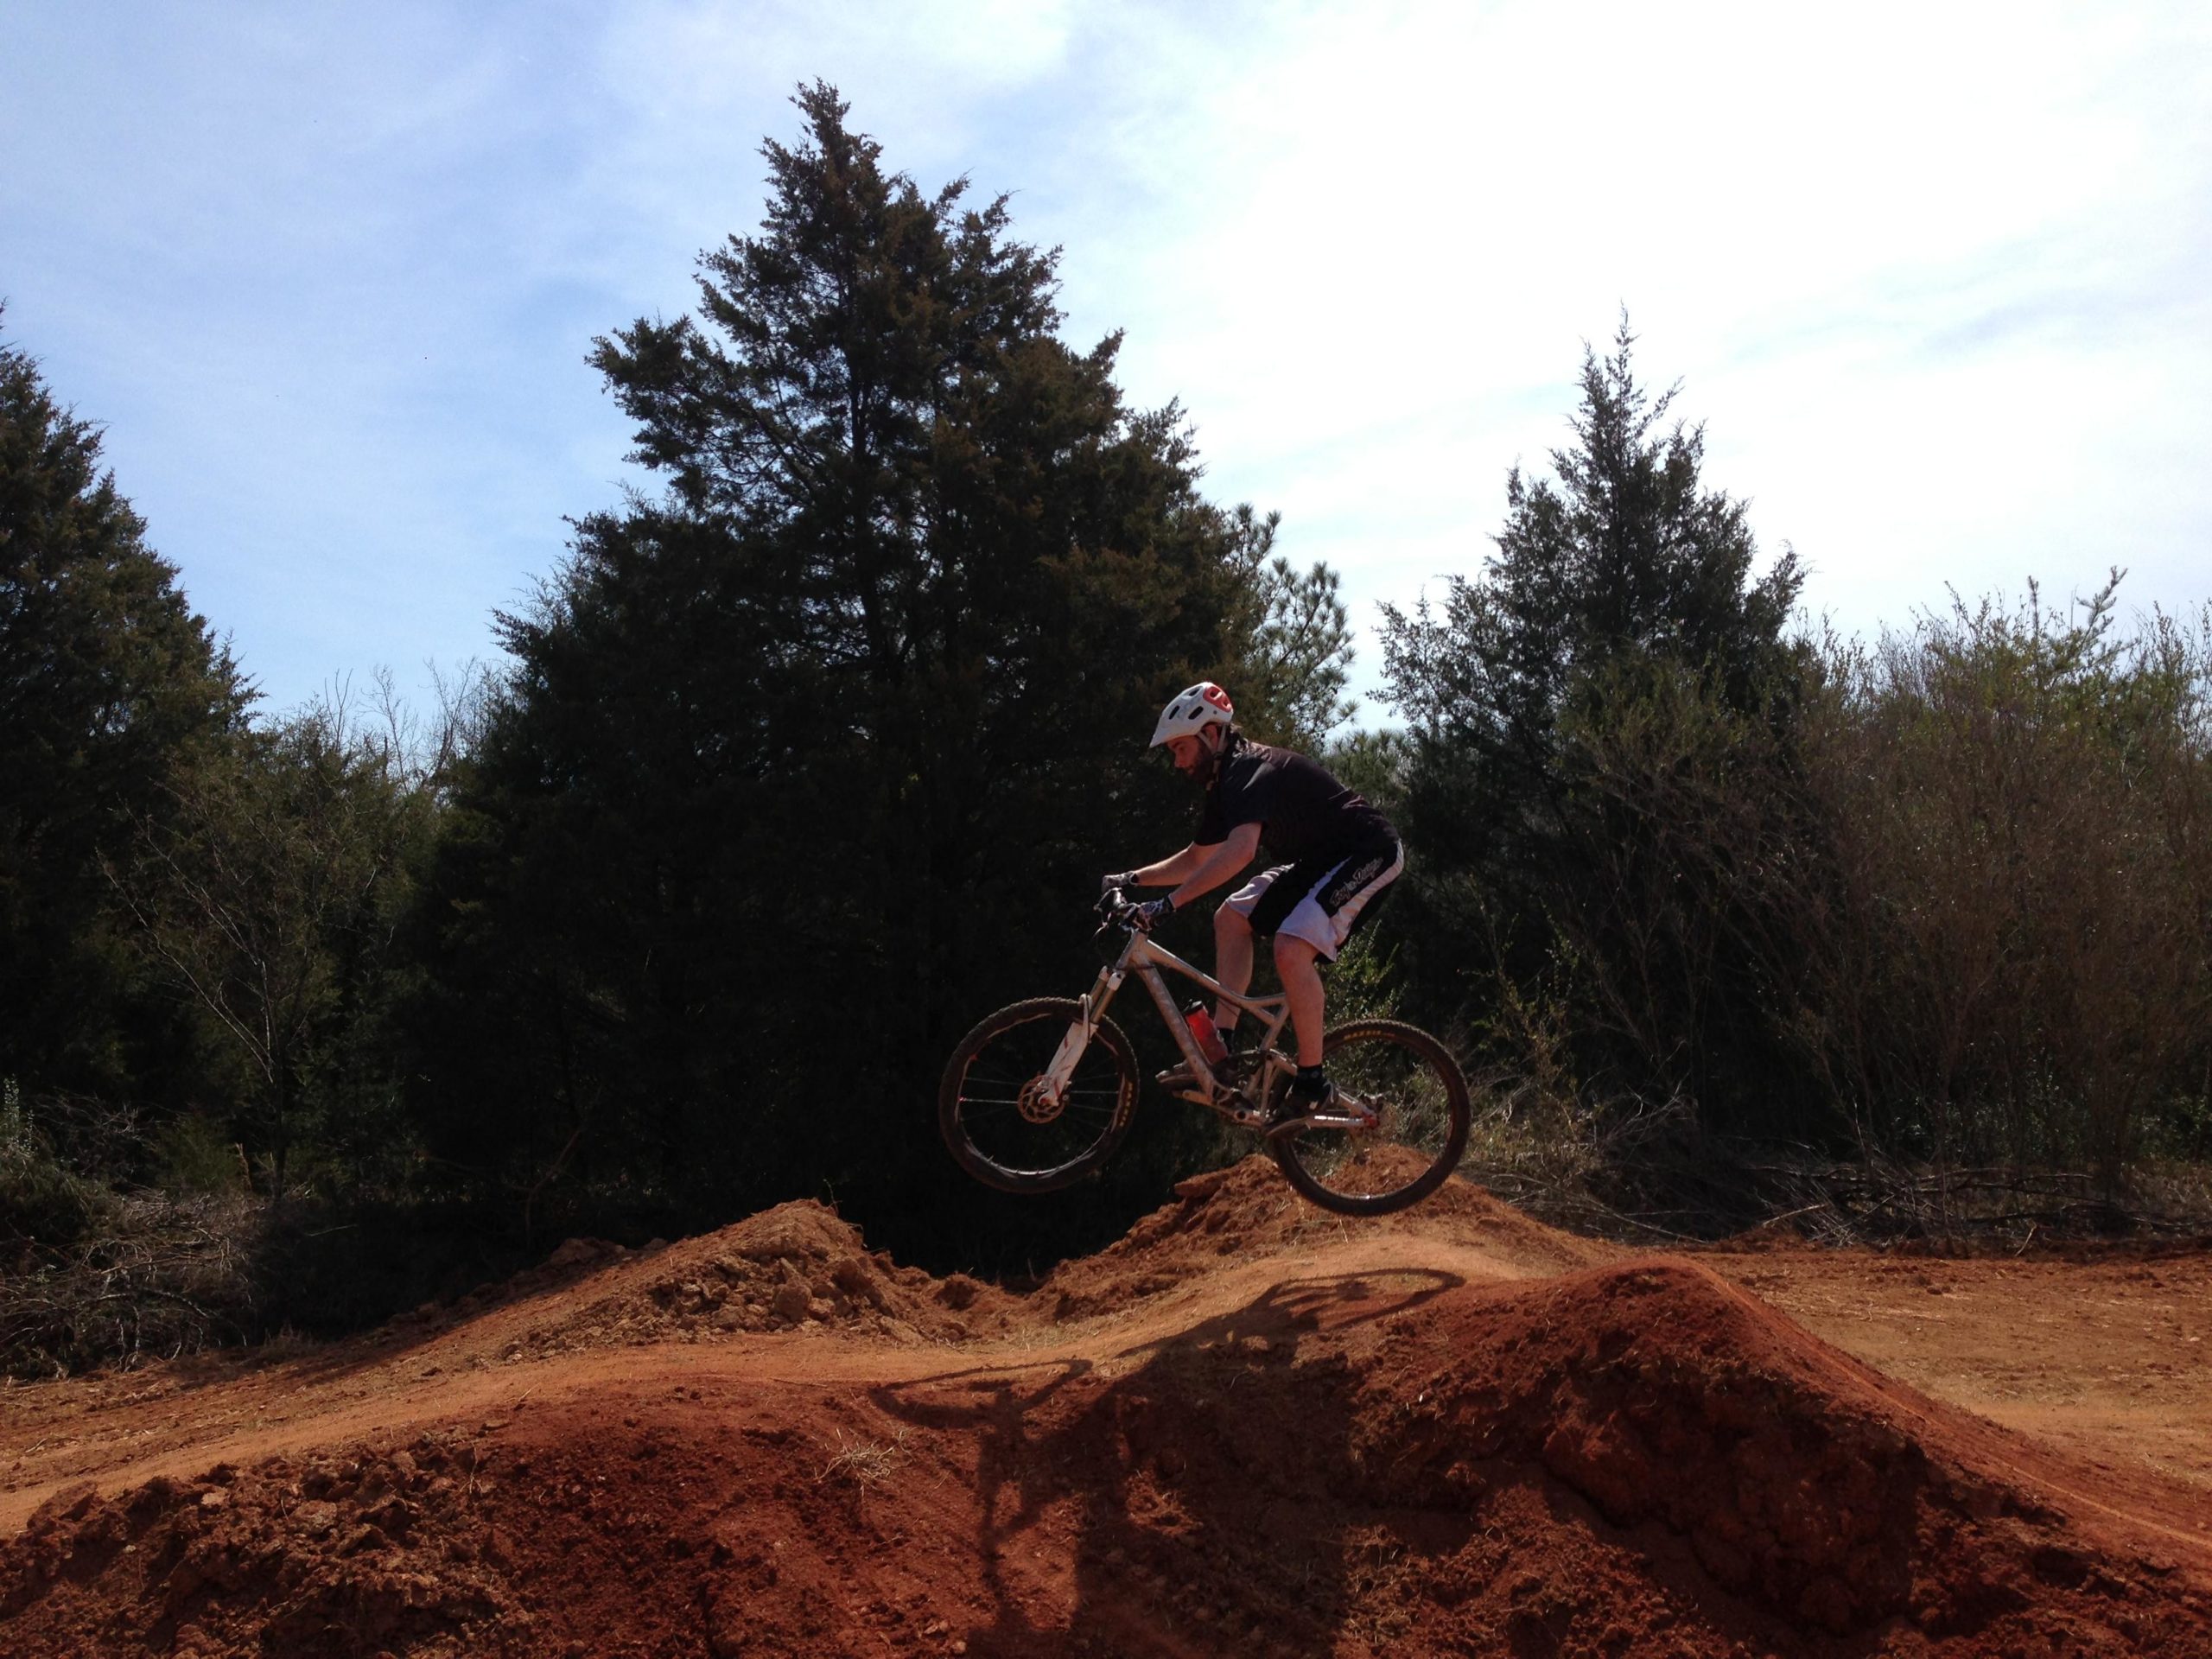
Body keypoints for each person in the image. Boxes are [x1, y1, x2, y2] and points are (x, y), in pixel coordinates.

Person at [1103, 682, 1403, 1133]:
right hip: (1320, 861)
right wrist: (1132, 879)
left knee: (1290, 947)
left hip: (1368, 851)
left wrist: (1168, 905)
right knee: (1231, 918)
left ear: (1210, 735)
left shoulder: (1250, 768)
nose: (1178, 762)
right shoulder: (1225, 785)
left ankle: (1313, 1079)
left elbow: (1241, 852)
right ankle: (1223, 1049)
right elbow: (1196, 857)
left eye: (1181, 748)